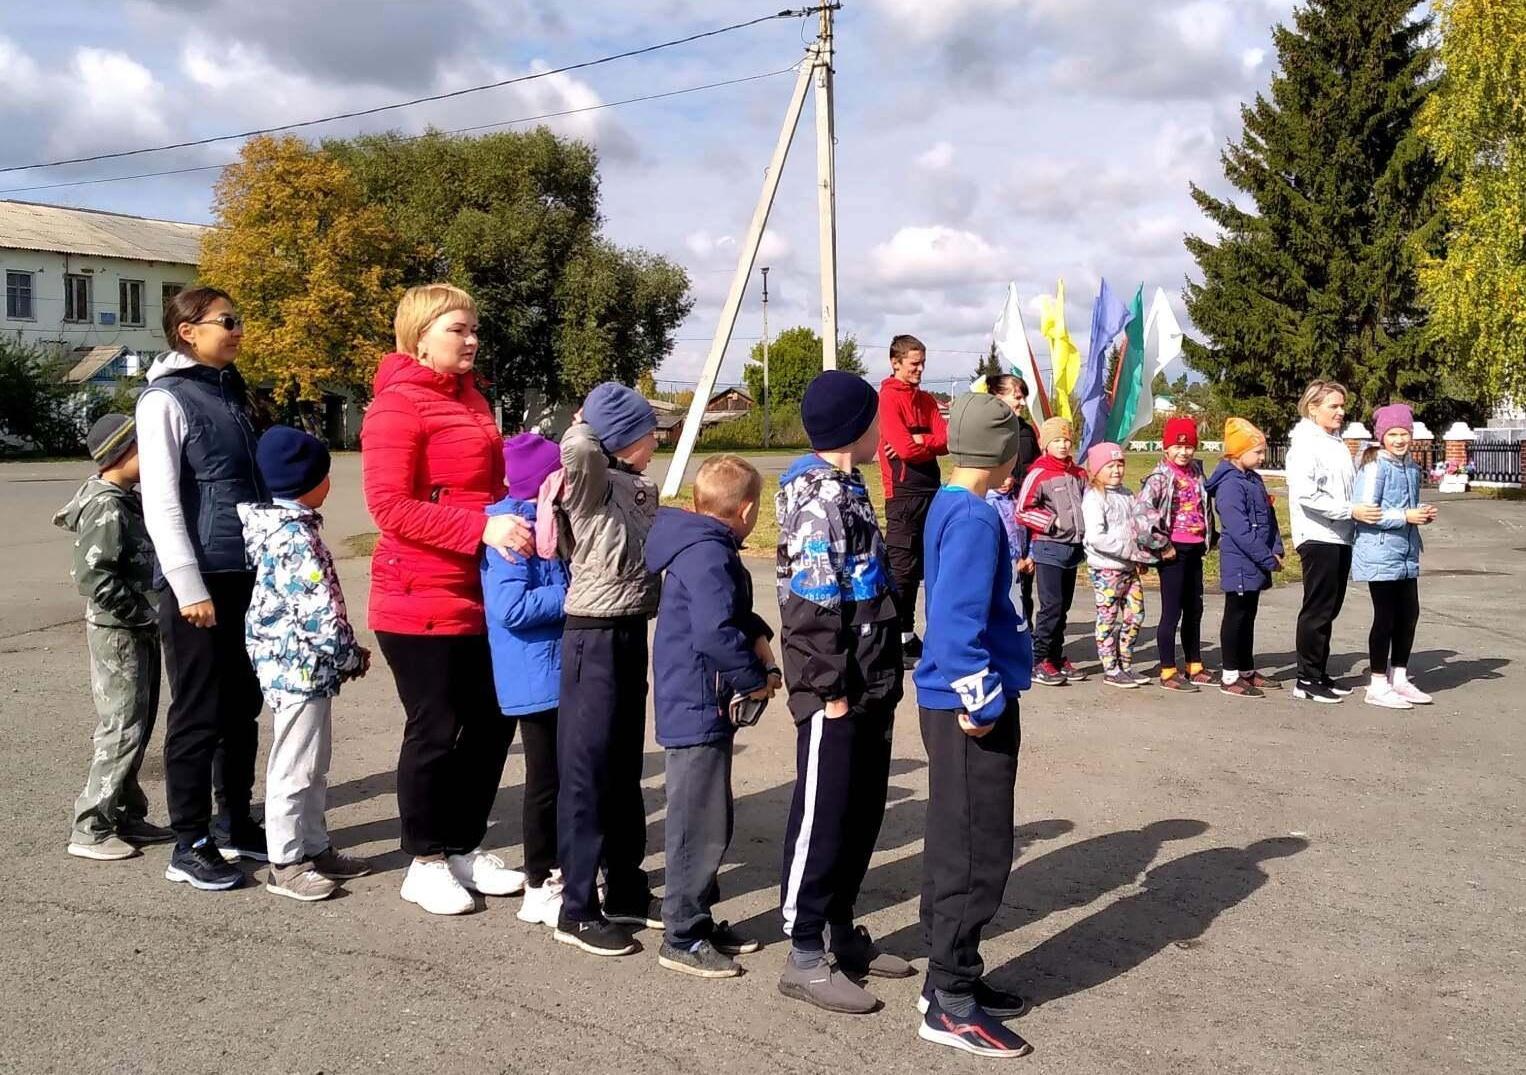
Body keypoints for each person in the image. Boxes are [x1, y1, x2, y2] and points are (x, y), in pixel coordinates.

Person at [362, 283, 533, 916]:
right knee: (435, 727)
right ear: (421, 334)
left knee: (492, 722)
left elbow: (483, 487)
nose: (471, 339)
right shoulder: (395, 408)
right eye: (458, 329)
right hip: (417, 595)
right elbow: (390, 506)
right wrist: (481, 527)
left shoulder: (472, 399)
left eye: (473, 329)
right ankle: (424, 860)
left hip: (480, 589)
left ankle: (464, 845)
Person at [777, 370, 910, 1014]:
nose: (881, 427)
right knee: (822, 816)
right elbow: (808, 602)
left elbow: (867, 585)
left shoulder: (849, 487)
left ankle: (839, 930)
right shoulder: (816, 499)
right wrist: (827, 686)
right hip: (836, 687)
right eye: (876, 417)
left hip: (871, 678)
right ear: (856, 426)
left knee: (861, 814)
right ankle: (803, 952)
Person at [912, 393, 1034, 1057]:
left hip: (955, 700)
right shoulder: (975, 517)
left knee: (953, 842)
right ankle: (950, 1001)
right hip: (968, 707)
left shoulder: (952, 502)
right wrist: (983, 703)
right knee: (976, 853)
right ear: (1006, 455)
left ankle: (947, 977)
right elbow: (955, 626)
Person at [137, 286, 268, 891]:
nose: (238, 330)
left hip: (245, 569)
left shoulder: (231, 390)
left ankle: (235, 821)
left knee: (242, 703)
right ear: (188, 330)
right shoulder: (165, 399)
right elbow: (162, 501)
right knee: (198, 710)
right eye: (227, 321)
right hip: (200, 577)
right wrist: (188, 585)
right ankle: (187, 841)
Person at [644, 455, 778, 979]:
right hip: (698, 701)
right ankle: (681, 933)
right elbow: (715, 632)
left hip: (701, 698)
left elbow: (727, 613)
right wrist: (753, 678)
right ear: (745, 510)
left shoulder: (706, 547)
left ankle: (696, 916)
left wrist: (759, 631)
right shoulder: (707, 555)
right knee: (696, 824)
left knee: (710, 817)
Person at [238, 426, 372, 901]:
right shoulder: (295, 537)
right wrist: (349, 654)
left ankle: (314, 845)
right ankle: (287, 860)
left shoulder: (288, 527)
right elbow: (317, 613)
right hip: (297, 665)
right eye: (326, 475)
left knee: (314, 763)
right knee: (295, 766)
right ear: (310, 480)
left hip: (301, 665)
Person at [553, 382, 662, 957]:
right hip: (591, 635)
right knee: (587, 771)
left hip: (628, 631)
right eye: (648, 433)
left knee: (622, 767)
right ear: (623, 439)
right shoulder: (591, 484)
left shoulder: (639, 486)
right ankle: (576, 906)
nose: (657, 442)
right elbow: (580, 451)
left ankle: (625, 886)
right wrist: (589, 422)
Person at [55, 415, 173, 861]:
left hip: (138, 628)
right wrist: (142, 614)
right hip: (120, 631)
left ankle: (126, 812)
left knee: (137, 725)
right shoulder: (106, 506)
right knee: (122, 726)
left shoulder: (126, 500)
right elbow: (93, 575)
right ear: (124, 454)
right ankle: (91, 826)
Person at [482, 433, 570, 928]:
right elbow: (510, 607)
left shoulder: (546, 523)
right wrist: (576, 598)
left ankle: (560, 868)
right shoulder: (516, 530)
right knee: (546, 783)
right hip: (534, 677)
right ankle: (539, 883)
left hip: (553, 670)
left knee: (561, 777)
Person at [1285, 380, 1383, 703]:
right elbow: (1306, 494)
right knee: (1318, 608)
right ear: (1313, 408)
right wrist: (1348, 510)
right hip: (1318, 535)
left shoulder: (1336, 443)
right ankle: (1306, 679)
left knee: (1331, 608)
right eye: (1333, 406)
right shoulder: (1304, 445)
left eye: (1342, 406)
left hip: (1340, 535)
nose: (1341, 412)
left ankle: (1319, 672)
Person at [1352, 404, 1437, 710]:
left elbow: (1409, 510)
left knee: (1409, 614)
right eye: (1393, 434)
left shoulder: (1412, 467)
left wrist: (1422, 516)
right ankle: (1377, 683)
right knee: (1385, 617)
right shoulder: (1375, 465)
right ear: (1382, 436)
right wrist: (1406, 516)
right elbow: (1367, 512)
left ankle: (1398, 676)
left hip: (1406, 553)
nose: (1400, 439)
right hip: (1379, 551)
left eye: (1404, 433)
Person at [877, 335, 949, 668]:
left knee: (927, 569)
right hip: (903, 494)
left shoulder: (928, 401)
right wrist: (921, 444)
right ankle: (893, 638)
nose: (919, 369)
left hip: (931, 490)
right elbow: (903, 450)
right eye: (913, 364)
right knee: (902, 573)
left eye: (922, 363)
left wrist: (921, 440)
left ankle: (910, 635)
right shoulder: (888, 399)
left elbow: (946, 441)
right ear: (896, 362)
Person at [1206, 419, 1285, 699]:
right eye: (1258, 452)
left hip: (1257, 559)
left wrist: (1276, 548)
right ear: (1238, 452)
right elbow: (1238, 530)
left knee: (1249, 616)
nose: (1262, 458)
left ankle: (1246, 669)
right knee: (1236, 616)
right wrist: (1266, 558)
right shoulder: (1230, 485)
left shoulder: (1254, 479)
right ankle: (1229, 675)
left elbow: (1270, 516)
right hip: (1240, 560)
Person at [1139, 417, 1216, 692]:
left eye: (1188, 446)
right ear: (1166, 448)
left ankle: (1194, 664)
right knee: (1171, 611)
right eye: (1177, 446)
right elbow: (1142, 515)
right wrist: (1162, 545)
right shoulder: (1160, 477)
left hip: (1196, 547)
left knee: (1194, 609)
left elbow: (1205, 506)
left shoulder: (1197, 473)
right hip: (1173, 551)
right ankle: (1168, 669)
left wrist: (1211, 535)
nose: (1183, 452)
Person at [1015, 416, 1088, 686]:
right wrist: (1051, 522)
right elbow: (1023, 510)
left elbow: (1088, 503)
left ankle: (1056, 656)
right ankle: (1039, 658)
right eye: (1056, 440)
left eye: (1066, 440)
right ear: (1045, 444)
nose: (1062, 445)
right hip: (1048, 548)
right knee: (1051, 606)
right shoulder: (1039, 473)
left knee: (1064, 607)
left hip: (1072, 549)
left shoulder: (1078, 473)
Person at [1081, 441, 1151, 690]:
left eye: (1120, 464)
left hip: (1130, 567)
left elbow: (1137, 528)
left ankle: (1126, 663)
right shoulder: (1094, 497)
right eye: (1109, 466)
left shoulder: (1128, 494)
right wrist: (1127, 550)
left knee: (1135, 615)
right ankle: (1110, 668)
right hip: (1106, 569)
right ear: (1096, 469)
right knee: (1107, 619)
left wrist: (1140, 555)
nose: (1116, 471)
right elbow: (1095, 537)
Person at [975, 374, 1041, 623]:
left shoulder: (1025, 431)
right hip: (995, 506)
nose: (1022, 402)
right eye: (1017, 396)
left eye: (1023, 396)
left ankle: (1026, 636)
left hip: (1022, 511)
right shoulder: (984, 430)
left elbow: (1034, 468)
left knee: (1024, 590)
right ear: (997, 397)